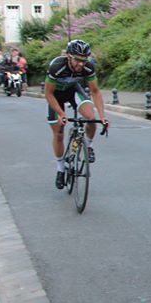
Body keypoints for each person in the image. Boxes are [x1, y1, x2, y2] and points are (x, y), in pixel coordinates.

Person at [45, 40, 109, 190]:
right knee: (59, 134)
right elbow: (48, 93)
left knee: (91, 118)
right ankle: (60, 168)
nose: (81, 64)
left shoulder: (88, 67)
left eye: (84, 60)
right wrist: (61, 114)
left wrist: (103, 116)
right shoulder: (57, 67)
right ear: (69, 56)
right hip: (56, 96)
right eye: (78, 60)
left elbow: (95, 92)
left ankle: (89, 145)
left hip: (73, 91)